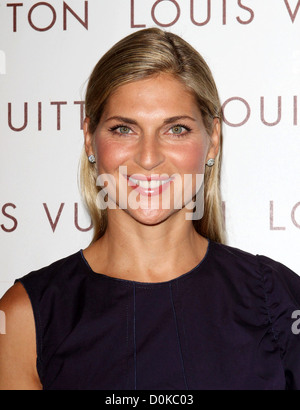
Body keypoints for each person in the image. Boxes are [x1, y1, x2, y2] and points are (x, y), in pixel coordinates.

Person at [0, 28, 299, 391]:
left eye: (175, 129)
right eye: (124, 129)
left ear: (212, 141)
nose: (148, 157)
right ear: (89, 138)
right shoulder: (25, 317)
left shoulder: (278, 296)